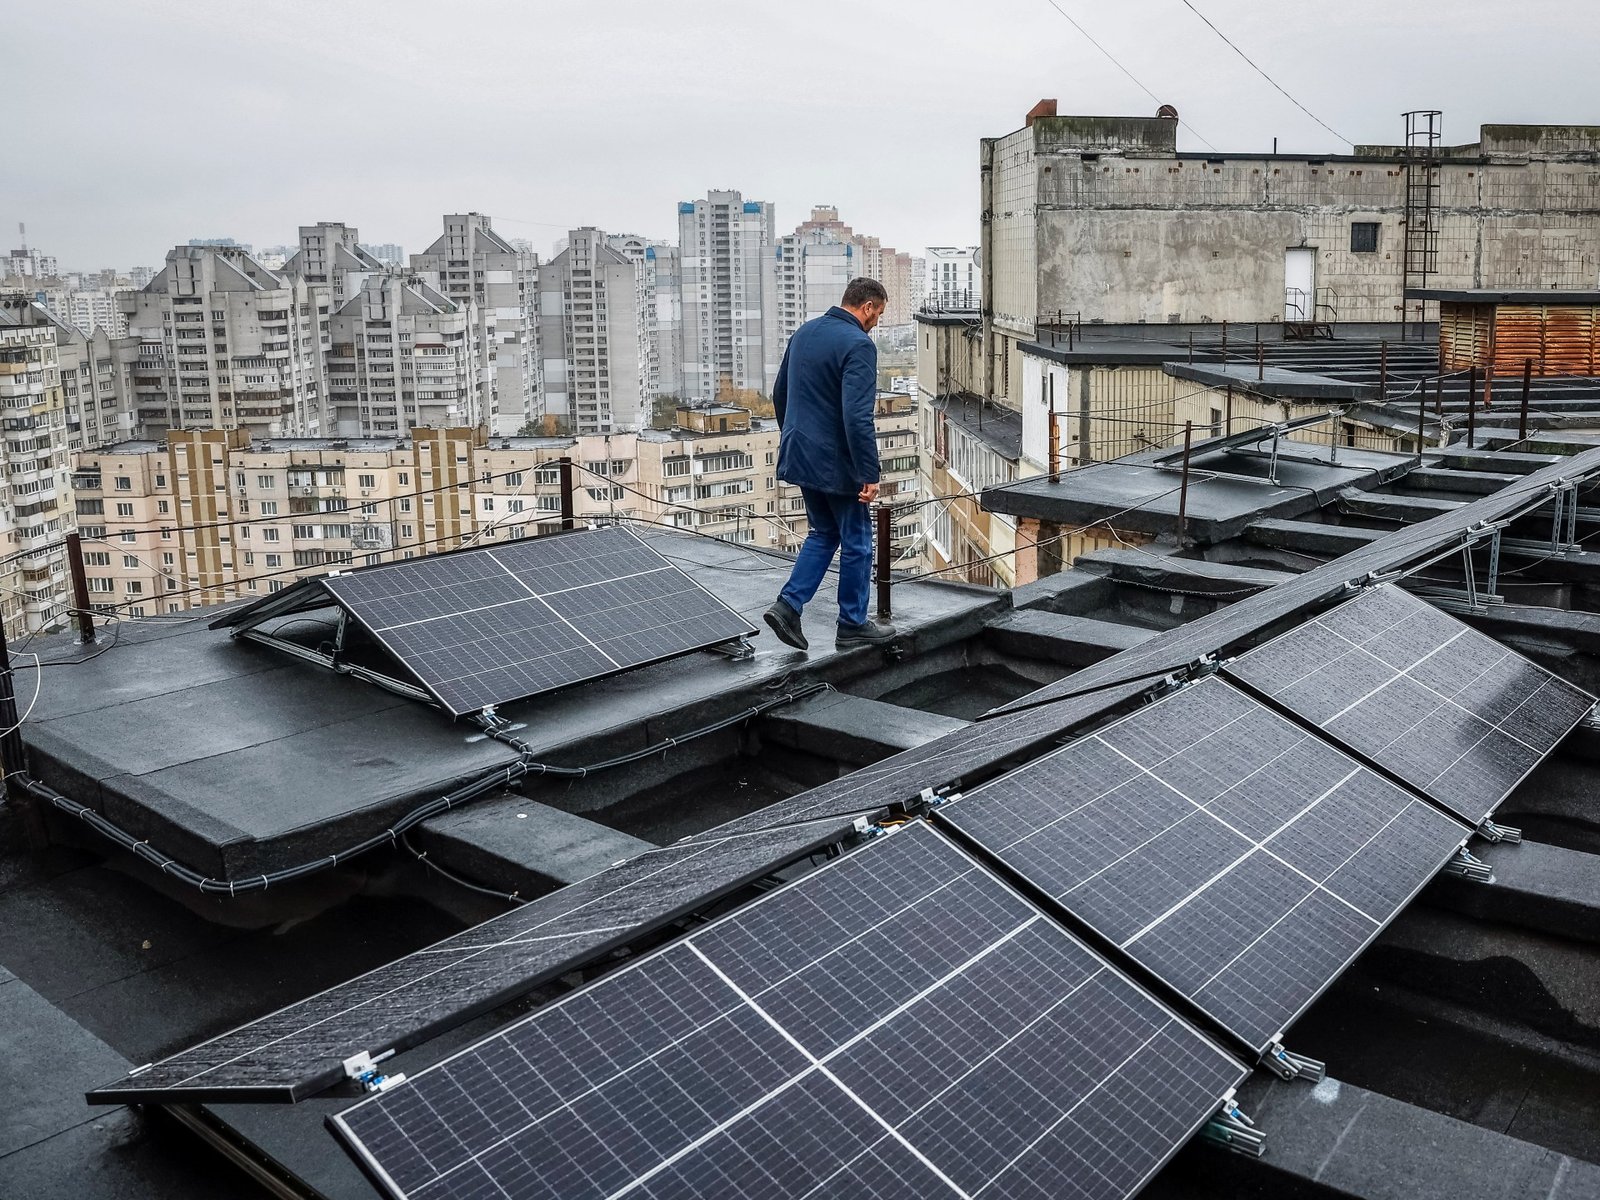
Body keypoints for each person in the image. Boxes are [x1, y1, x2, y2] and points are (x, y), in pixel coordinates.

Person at [764, 277, 898, 651]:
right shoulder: (858, 344)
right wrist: (869, 473)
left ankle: (788, 606)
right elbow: (857, 417)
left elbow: (779, 394)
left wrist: (798, 437)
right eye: (879, 315)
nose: (877, 323)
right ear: (867, 307)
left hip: (801, 454)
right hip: (838, 464)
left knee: (823, 533)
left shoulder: (805, 333)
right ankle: (852, 623)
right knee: (857, 541)